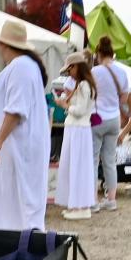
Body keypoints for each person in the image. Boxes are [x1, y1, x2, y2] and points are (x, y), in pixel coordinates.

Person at [0, 20, 50, 230]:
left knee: (21, 200)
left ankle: (22, 245)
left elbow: (15, 109)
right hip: (17, 148)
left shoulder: (21, 66)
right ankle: (11, 243)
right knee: (13, 200)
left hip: (18, 147)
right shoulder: (23, 66)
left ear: (1, 44)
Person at [54, 51, 97, 219]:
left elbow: (81, 111)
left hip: (79, 129)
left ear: (77, 67)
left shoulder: (85, 86)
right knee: (74, 167)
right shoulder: (82, 85)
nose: (68, 73)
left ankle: (81, 207)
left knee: (78, 168)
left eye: (70, 69)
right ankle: (75, 205)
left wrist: (65, 105)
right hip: (75, 129)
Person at [91, 35, 127, 210]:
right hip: (114, 119)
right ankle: (111, 200)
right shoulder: (122, 72)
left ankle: (93, 201)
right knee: (109, 160)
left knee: (92, 159)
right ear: (112, 54)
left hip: (97, 118)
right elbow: (124, 97)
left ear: (98, 53)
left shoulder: (94, 72)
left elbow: (88, 94)